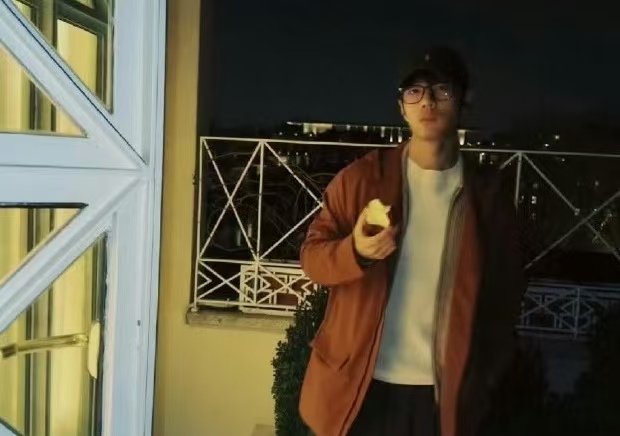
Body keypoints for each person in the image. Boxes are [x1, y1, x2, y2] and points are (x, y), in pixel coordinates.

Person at [298, 46, 526, 436]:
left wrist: (483, 375)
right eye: (414, 91)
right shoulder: (361, 179)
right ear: (401, 107)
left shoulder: (488, 198)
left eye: (441, 90)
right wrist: (355, 252)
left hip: (439, 397)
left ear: (463, 101)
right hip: (362, 390)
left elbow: (505, 297)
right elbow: (312, 259)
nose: (427, 102)